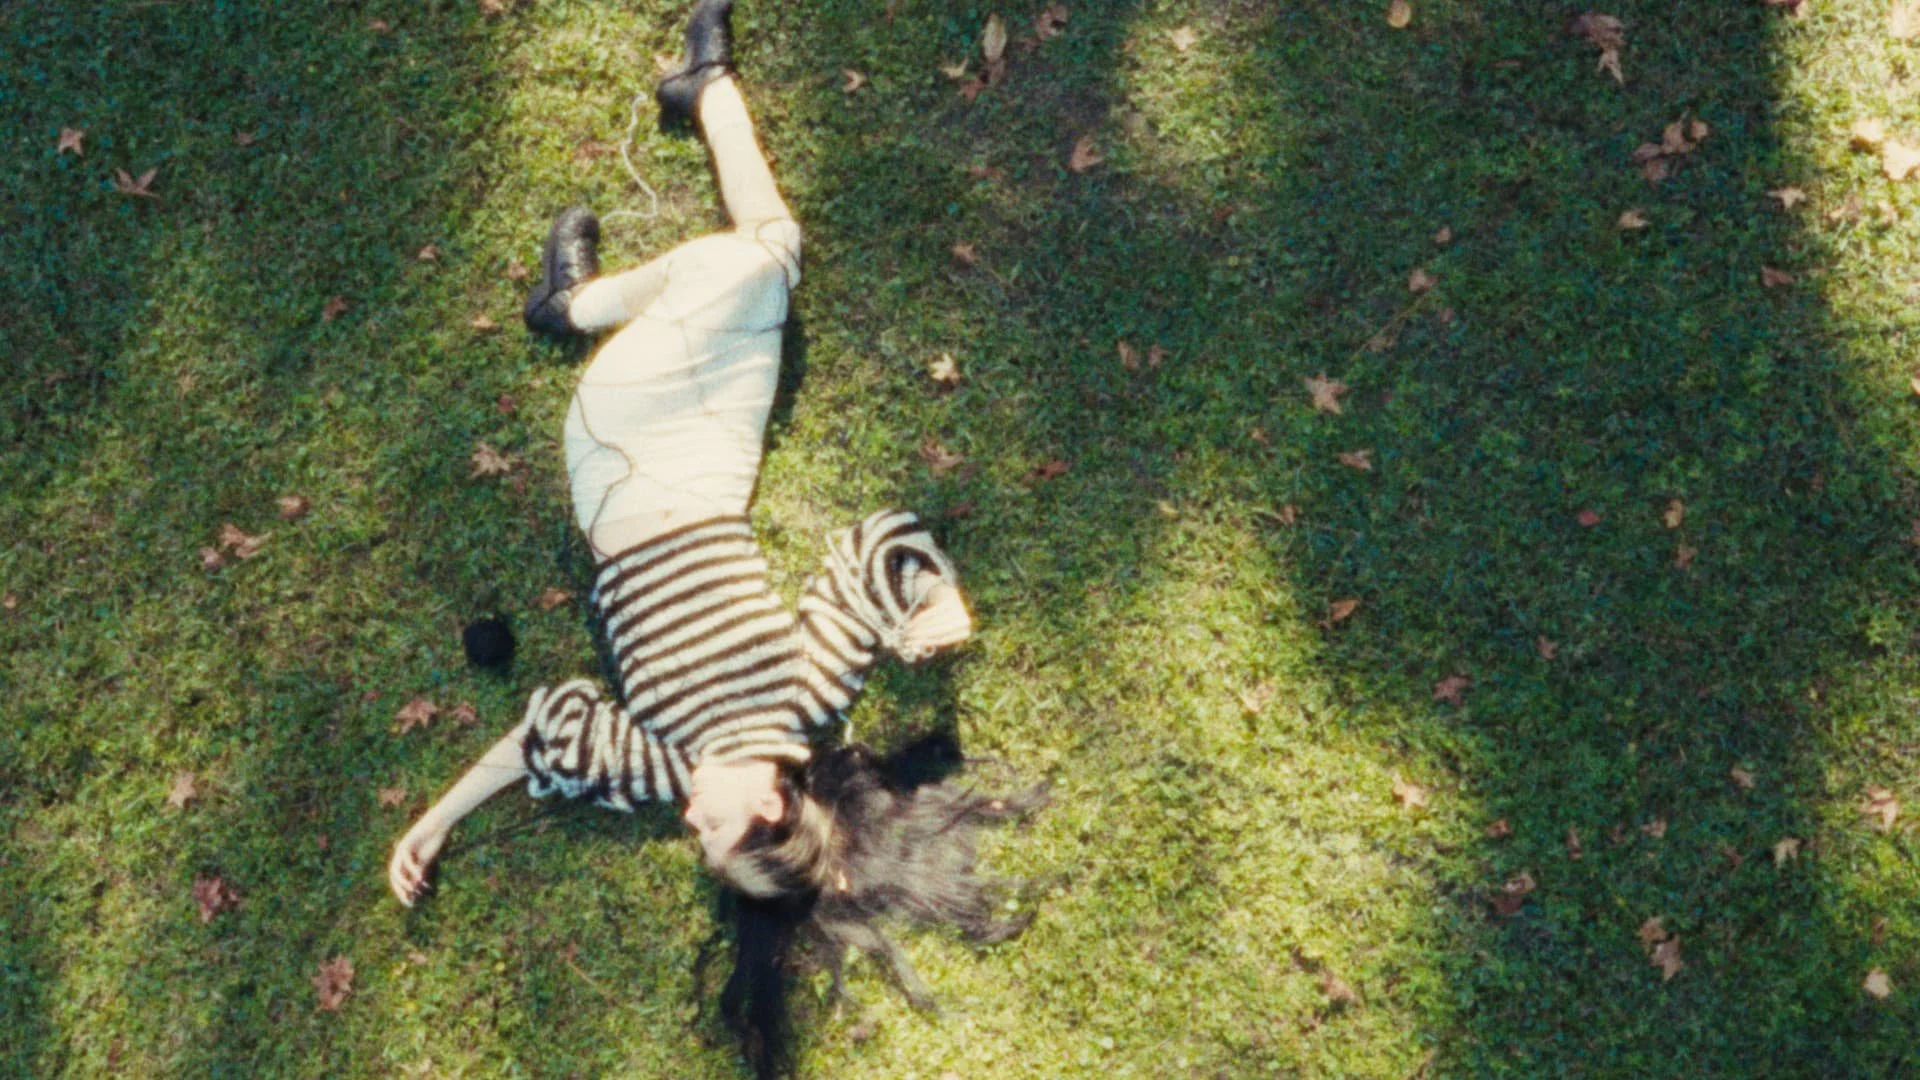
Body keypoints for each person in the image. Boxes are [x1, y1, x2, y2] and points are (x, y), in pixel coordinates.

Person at [387, 3, 1042, 1074]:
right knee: (771, 258)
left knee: (749, 269)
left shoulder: (662, 765)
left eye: (695, 839)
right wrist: (940, 603)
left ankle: (597, 283)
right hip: (713, 470)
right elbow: (877, 550)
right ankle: (665, 160)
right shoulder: (806, 702)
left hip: (623, 464)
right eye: (715, 829)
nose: (690, 820)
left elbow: (546, 736)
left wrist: (435, 818)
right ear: (777, 800)